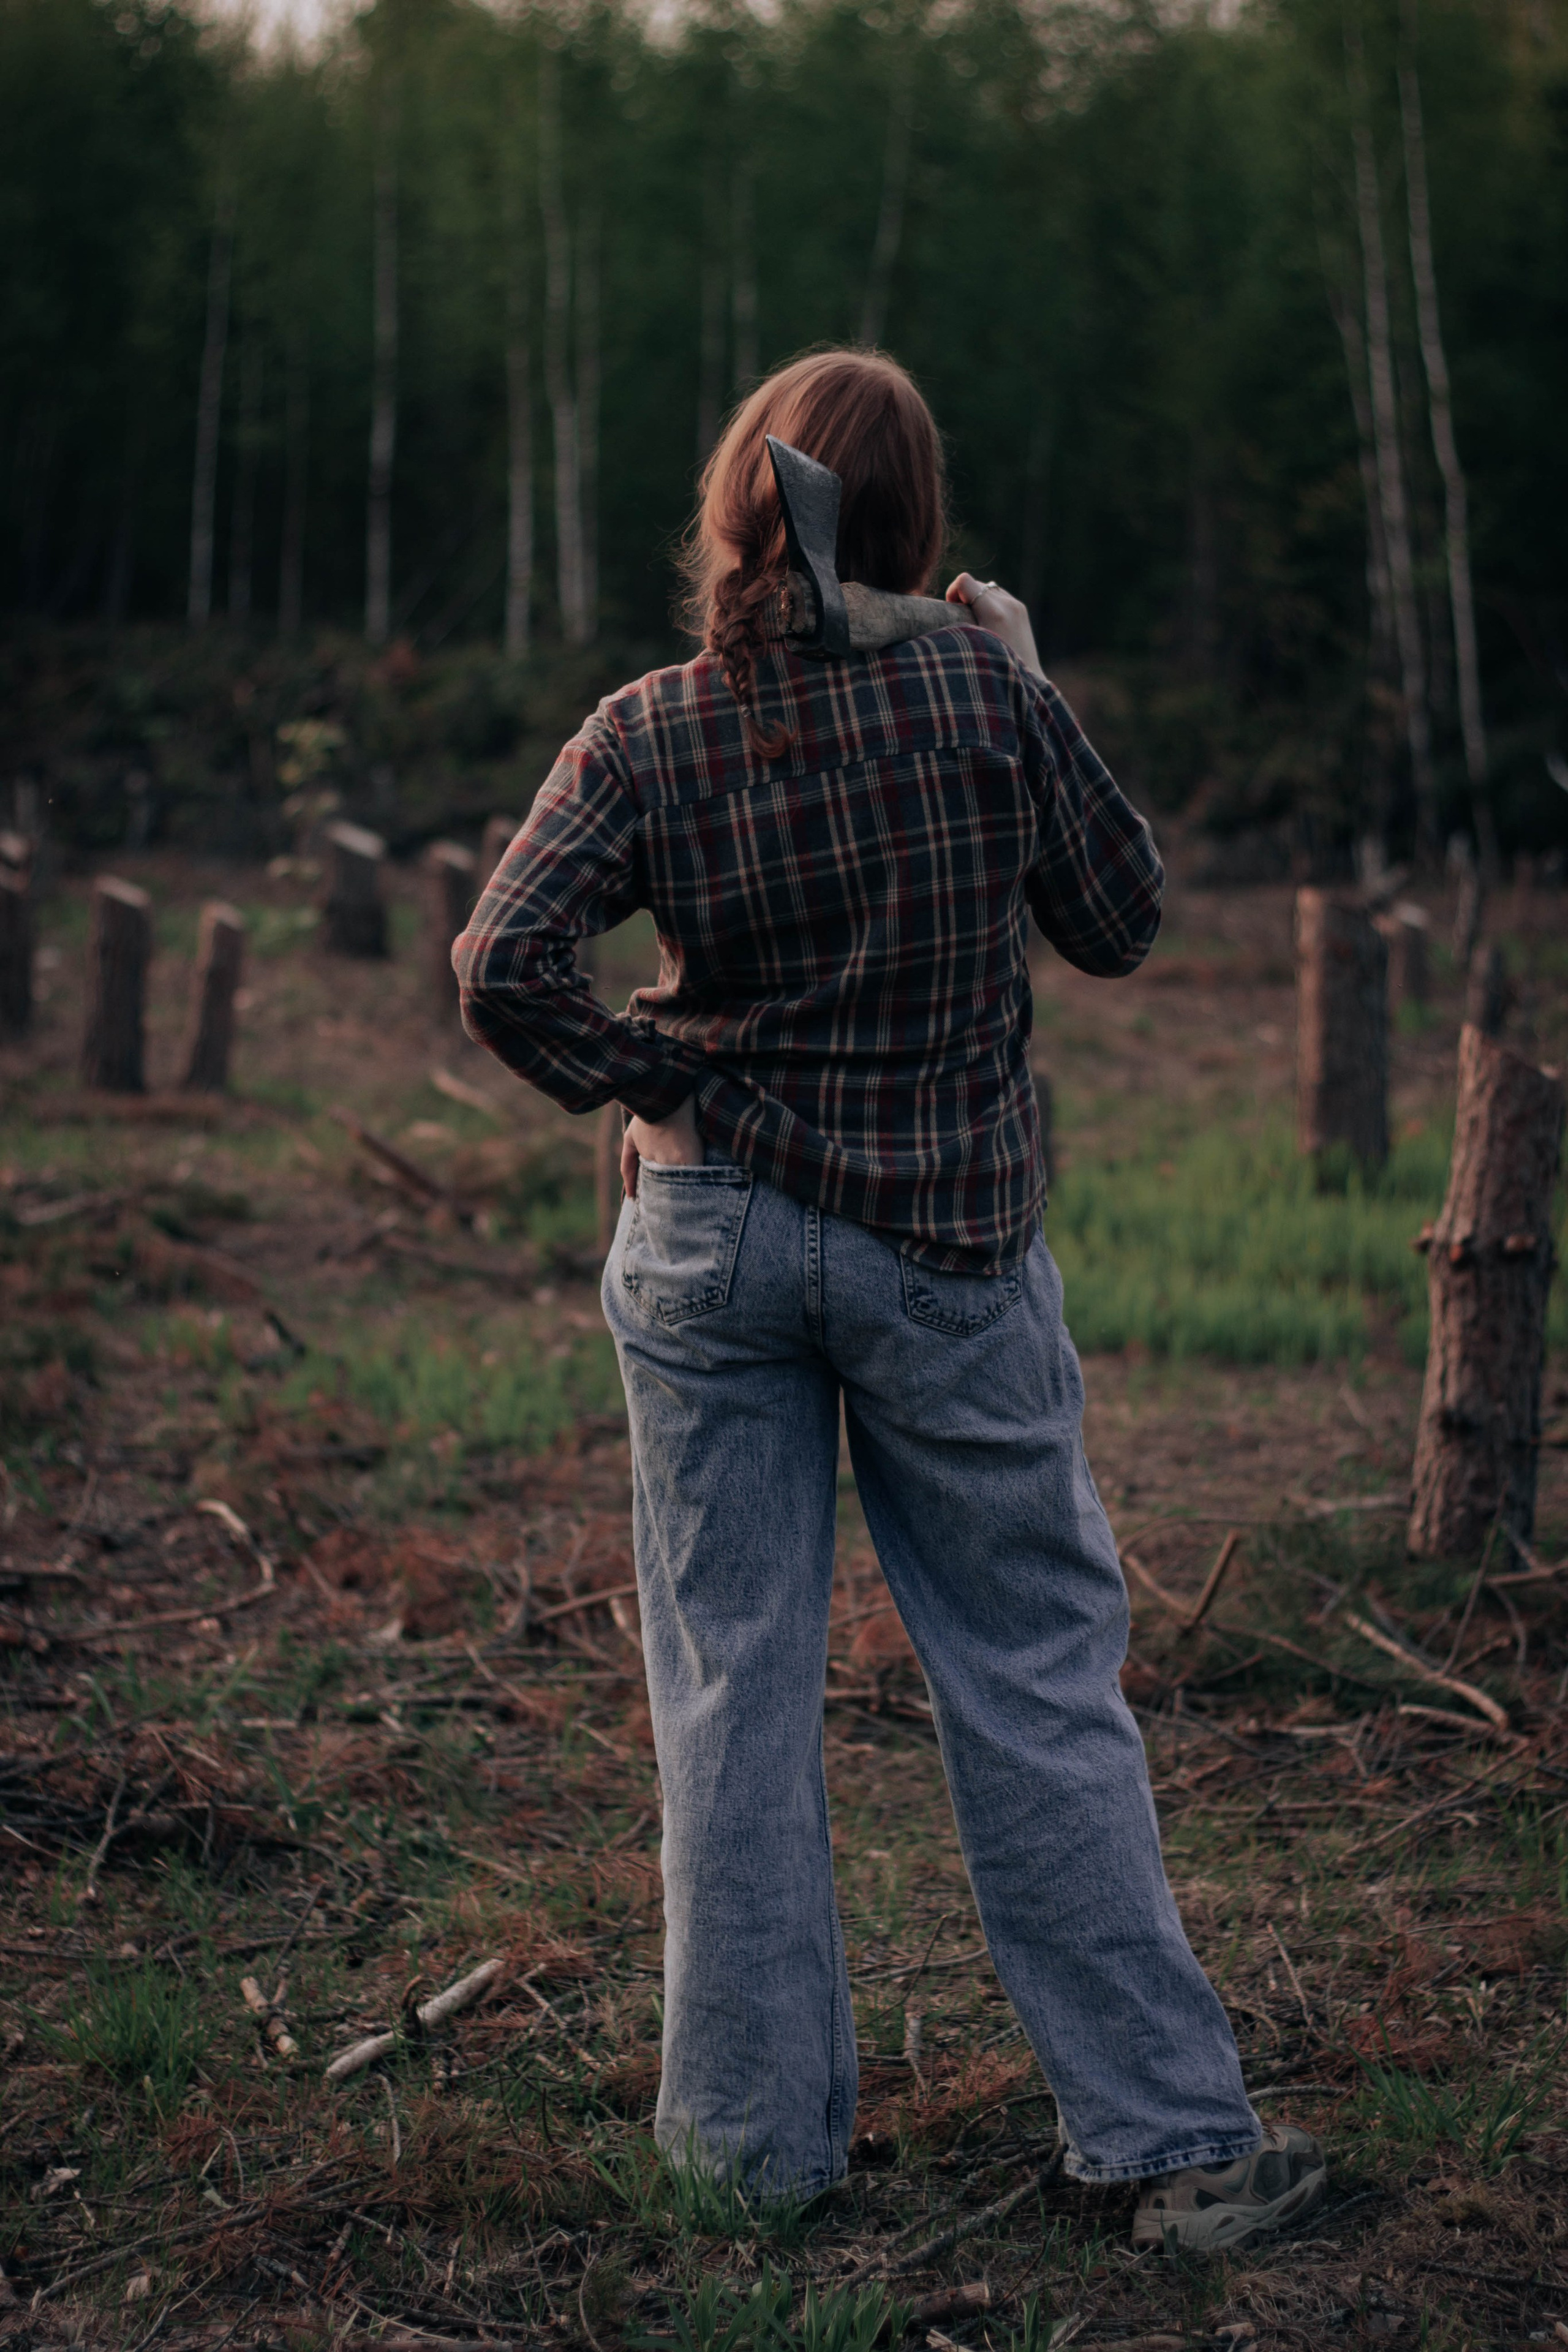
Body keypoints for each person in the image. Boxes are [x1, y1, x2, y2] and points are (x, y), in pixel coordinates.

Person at [453, 347, 1325, 2253]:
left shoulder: (646, 726)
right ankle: (1172, 2151)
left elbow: (502, 961)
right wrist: (1022, 678)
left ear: (727, 519)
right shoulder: (974, 692)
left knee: (732, 1688)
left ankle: (749, 2163)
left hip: (708, 1241)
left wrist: (655, 1079)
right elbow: (1120, 919)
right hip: (947, 1253)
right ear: (917, 530)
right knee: (1030, 1681)